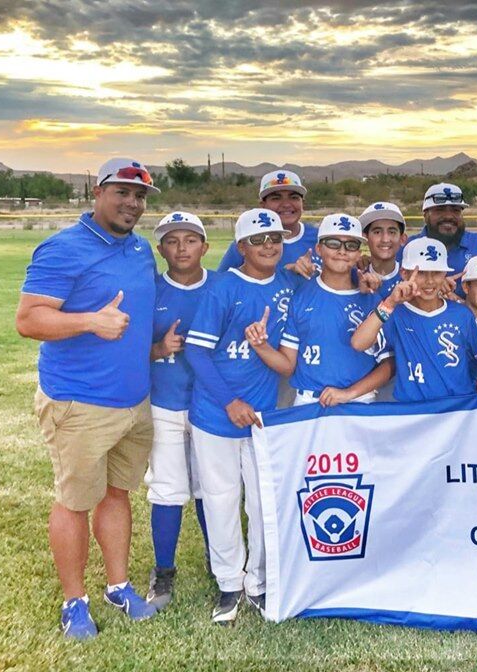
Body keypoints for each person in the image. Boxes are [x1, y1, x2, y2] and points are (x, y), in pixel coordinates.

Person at [16, 158, 160, 639]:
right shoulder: (63, 248)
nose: (132, 203)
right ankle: (74, 601)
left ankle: (117, 585)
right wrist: (89, 321)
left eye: (140, 196)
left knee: (117, 494)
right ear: (95, 193)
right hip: (79, 403)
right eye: (122, 192)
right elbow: (29, 320)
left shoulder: (140, 248)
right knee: (75, 501)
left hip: (134, 402)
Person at [184, 208, 303, 625]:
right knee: (220, 500)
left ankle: (260, 581)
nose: (269, 245)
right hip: (216, 413)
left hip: (265, 416)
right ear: (241, 248)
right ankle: (229, 583)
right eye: (258, 240)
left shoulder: (289, 285)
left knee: (264, 500)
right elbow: (196, 350)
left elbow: (286, 359)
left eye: (274, 238)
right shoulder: (222, 287)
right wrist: (229, 401)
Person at [244, 213, 395, 407]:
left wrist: (348, 393)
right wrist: (260, 346)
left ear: (359, 254)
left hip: (360, 402)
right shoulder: (300, 294)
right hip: (308, 402)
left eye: (351, 245)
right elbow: (288, 365)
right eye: (333, 243)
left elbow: (389, 364)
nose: (342, 251)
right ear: (318, 248)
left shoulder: (372, 298)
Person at [143, 211, 216, 610]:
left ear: (205, 247)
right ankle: (164, 570)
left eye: (190, 240)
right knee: (168, 488)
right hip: (165, 402)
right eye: (172, 241)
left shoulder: (222, 286)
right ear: (161, 249)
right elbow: (124, 347)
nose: (182, 247)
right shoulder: (150, 290)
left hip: (210, 404)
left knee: (211, 486)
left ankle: (217, 558)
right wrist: (158, 349)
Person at [351, 238, 477, 401]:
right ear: (404, 273)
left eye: (436, 273)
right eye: (421, 272)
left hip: (458, 408)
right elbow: (358, 343)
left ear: (445, 274)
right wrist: (390, 303)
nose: (429, 281)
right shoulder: (394, 312)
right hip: (414, 411)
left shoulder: (460, 314)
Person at [216, 170, 319, 277]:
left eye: (294, 197)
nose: (286, 204)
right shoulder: (249, 242)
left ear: (303, 203)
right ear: (263, 205)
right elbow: (220, 283)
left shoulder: (321, 238)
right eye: (276, 198)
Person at [403, 182, 477, 275]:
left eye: (455, 210)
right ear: (425, 215)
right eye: (440, 210)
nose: (448, 216)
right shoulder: (407, 247)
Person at [358, 201, 407, 299]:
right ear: (365, 238)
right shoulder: (356, 277)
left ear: (402, 239)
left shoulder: (412, 277)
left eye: (392, 232)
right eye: (377, 232)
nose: (385, 239)